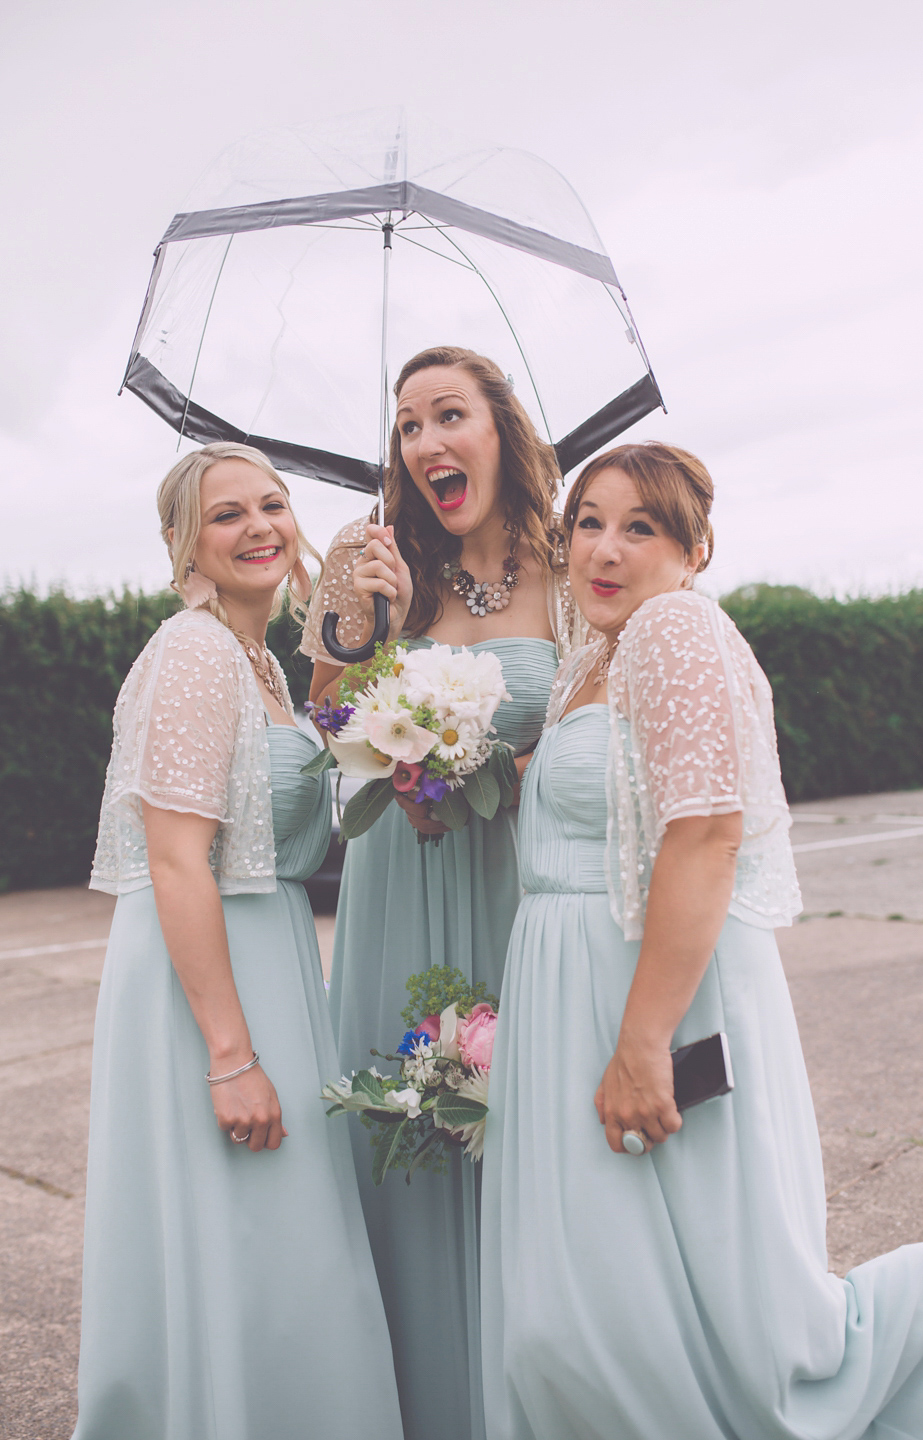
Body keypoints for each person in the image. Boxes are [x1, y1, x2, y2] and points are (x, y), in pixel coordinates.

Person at [480, 441, 923, 1440]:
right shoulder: (594, 656)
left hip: (651, 998)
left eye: (640, 527)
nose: (604, 550)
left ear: (695, 550)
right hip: (572, 991)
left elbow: (706, 834)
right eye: (588, 523)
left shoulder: (675, 630)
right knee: (590, 1304)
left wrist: (644, 1042)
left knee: (698, 1314)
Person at [74, 442, 403, 1440]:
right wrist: (229, 1056)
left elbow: (310, 764)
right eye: (228, 515)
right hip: (208, 989)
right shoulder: (191, 653)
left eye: (272, 504)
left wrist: (359, 634)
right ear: (186, 545)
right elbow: (177, 862)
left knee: (277, 1235)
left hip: (270, 958)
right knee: (249, 1230)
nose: (260, 526)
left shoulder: (255, 659)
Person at [300, 346, 586, 1440]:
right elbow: (330, 722)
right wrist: (371, 622)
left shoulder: (575, 564)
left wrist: (483, 776)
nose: (424, 444)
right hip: (399, 892)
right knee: (412, 1141)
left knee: (524, 1132)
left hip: (521, 890)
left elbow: (604, 730)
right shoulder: (372, 557)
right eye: (408, 425)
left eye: (447, 415)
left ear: (500, 430)